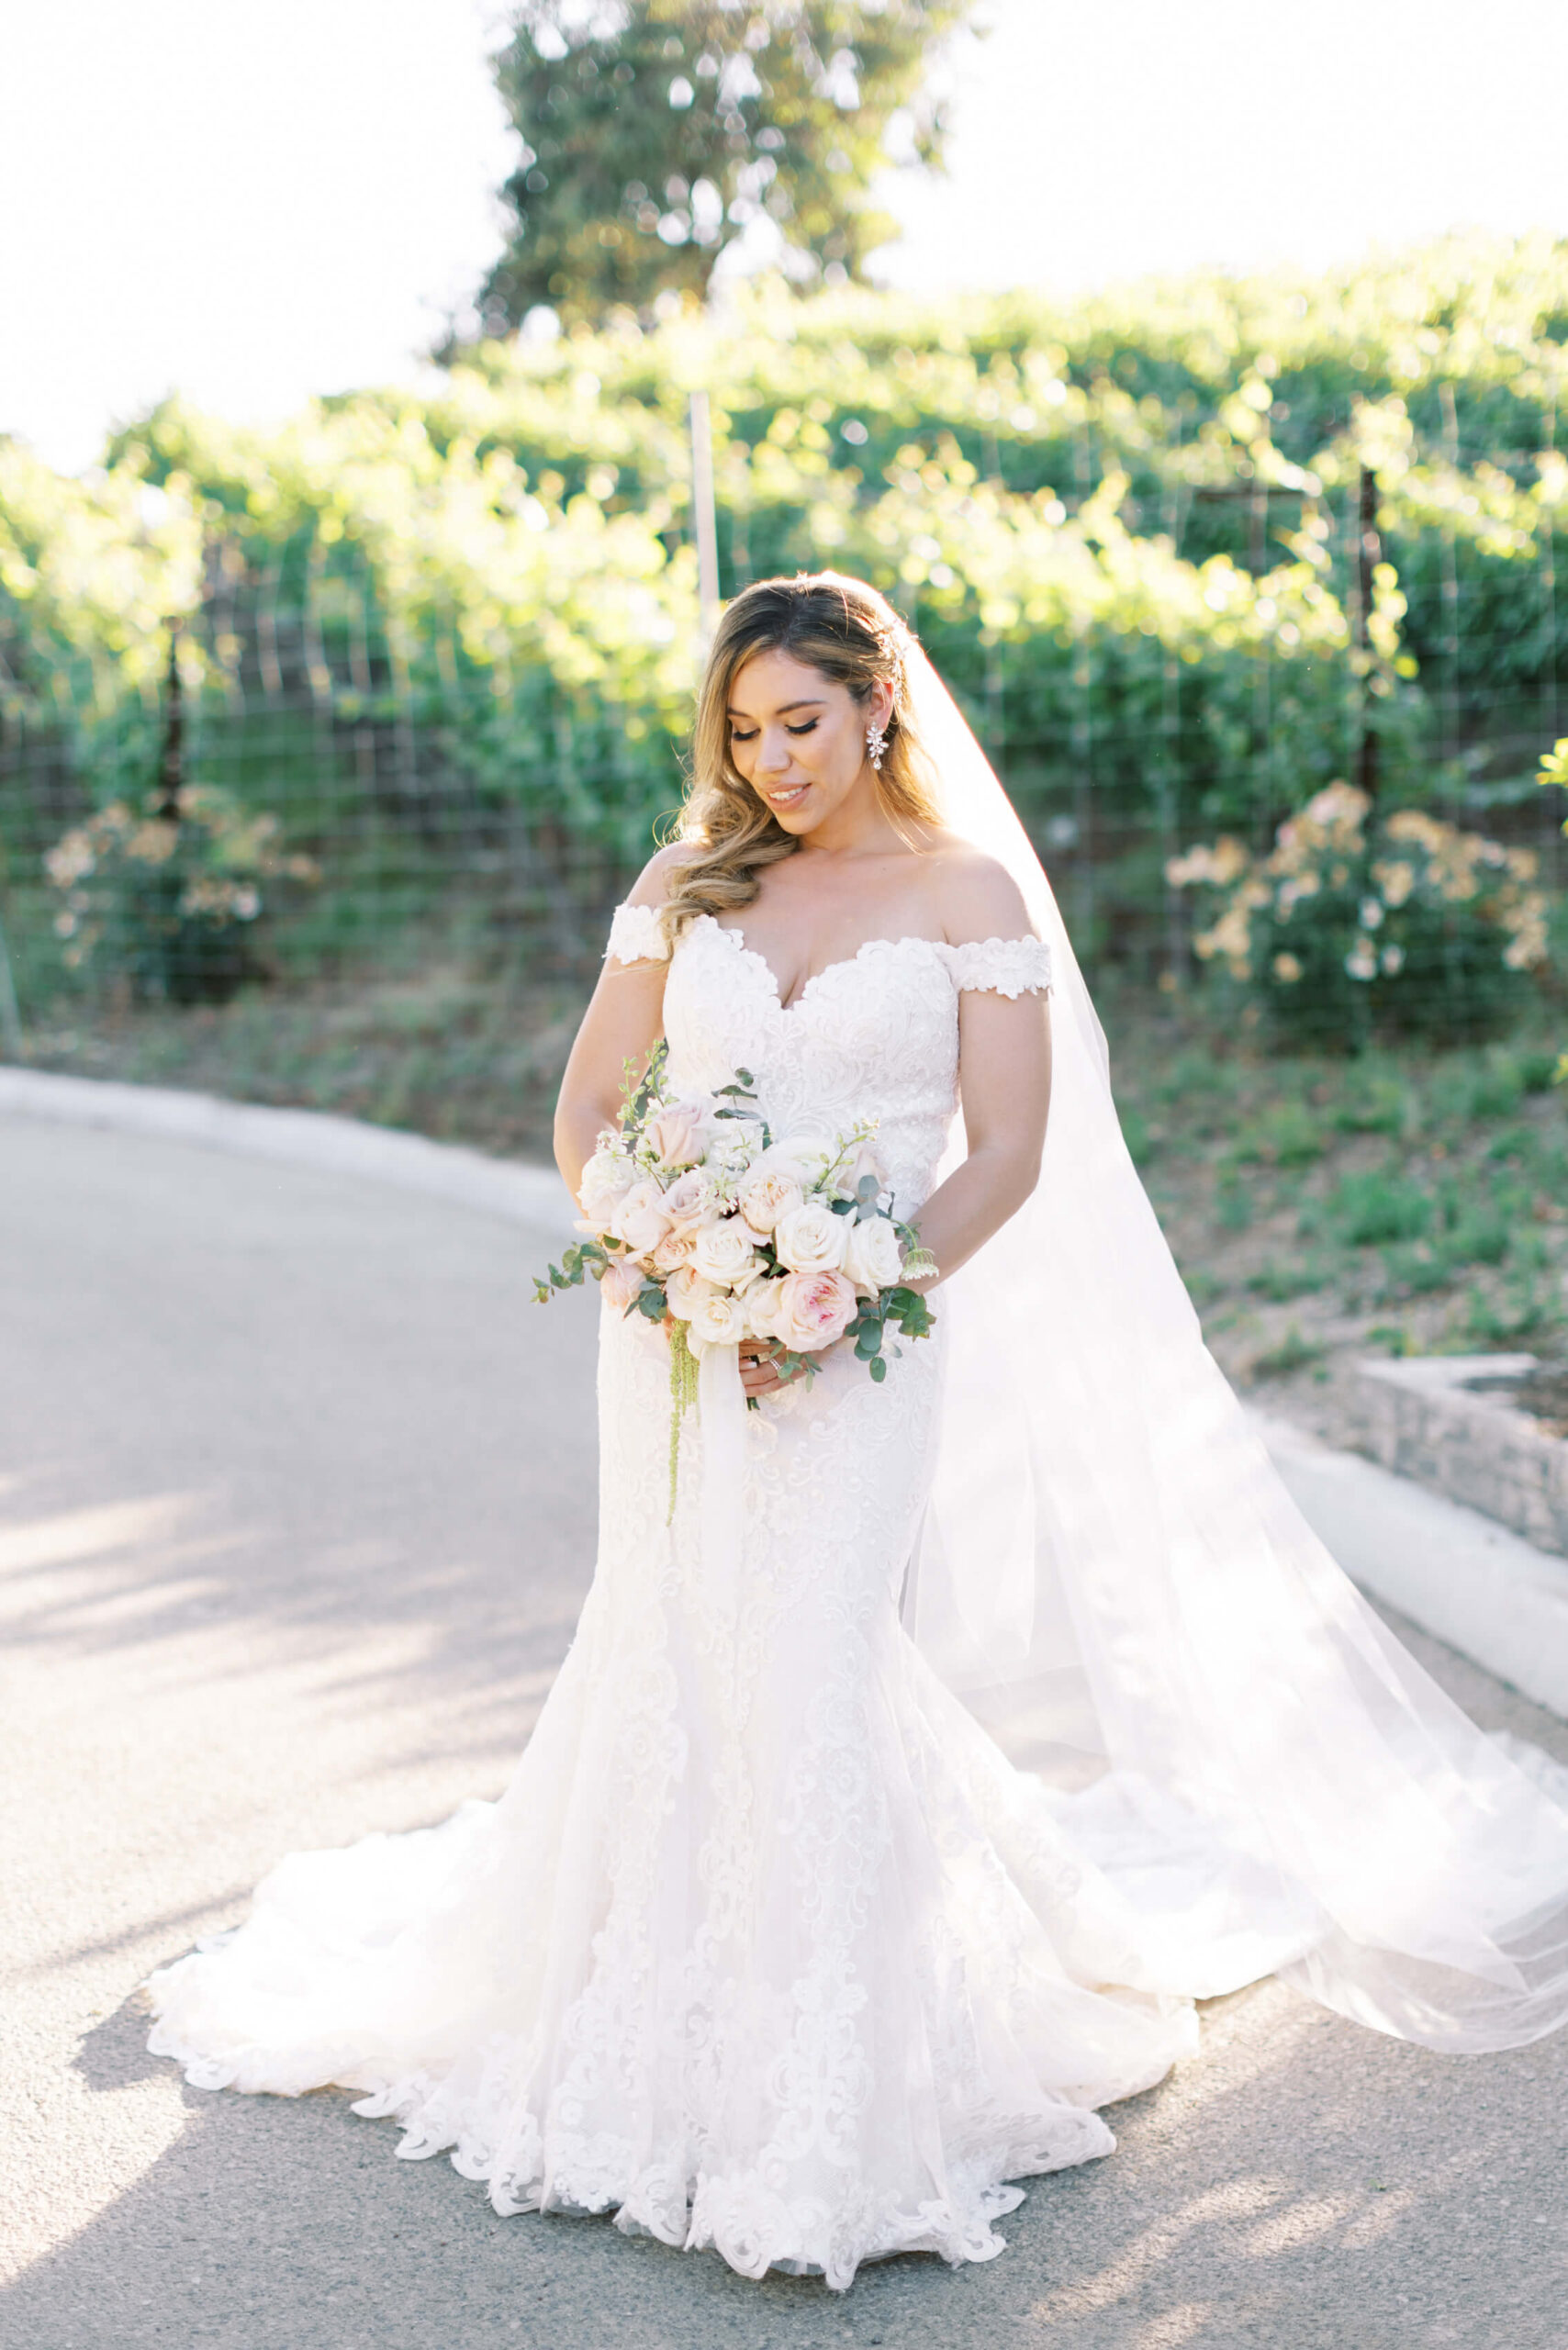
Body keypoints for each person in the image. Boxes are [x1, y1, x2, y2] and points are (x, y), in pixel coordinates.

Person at [147, 573, 1568, 2294]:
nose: (771, 762)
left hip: (870, 1339)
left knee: (815, 1667)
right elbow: (588, 1110)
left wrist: (841, 1293)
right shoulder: (687, 882)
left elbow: (1006, 1153)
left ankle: (825, 2110)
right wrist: (663, 1248)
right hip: (673, 1344)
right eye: (742, 733)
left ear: (879, 704)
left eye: (800, 723)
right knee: (681, 1653)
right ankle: (657, 2044)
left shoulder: (967, 892)